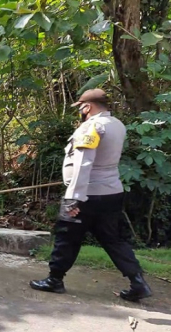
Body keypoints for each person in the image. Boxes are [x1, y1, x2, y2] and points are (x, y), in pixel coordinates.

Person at [30, 89, 152, 302]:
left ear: (87, 107)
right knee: (113, 239)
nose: (80, 112)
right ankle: (137, 281)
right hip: (111, 193)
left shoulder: (92, 127)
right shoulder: (117, 125)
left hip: (87, 195)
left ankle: (55, 280)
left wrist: (73, 198)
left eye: (81, 108)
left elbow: (83, 163)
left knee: (66, 237)